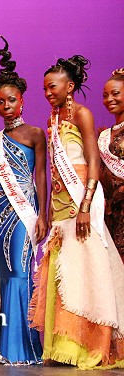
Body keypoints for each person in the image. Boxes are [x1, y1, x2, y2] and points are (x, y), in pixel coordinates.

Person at [29, 56, 124, 369]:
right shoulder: (53, 117)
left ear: (69, 87)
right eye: (44, 88)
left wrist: (85, 206)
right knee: (65, 272)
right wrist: (47, 213)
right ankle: (64, 345)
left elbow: (93, 161)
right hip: (60, 205)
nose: (48, 93)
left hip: (81, 197)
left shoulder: (82, 113)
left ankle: (89, 344)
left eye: (52, 87)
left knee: (86, 269)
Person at [0, 37, 47, 365]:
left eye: (11, 100)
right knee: (4, 274)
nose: (6, 106)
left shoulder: (36, 134)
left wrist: (43, 214)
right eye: (0, 101)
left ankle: (24, 346)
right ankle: (3, 345)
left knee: (20, 272)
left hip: (25, 211)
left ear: (22, 100)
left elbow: (41, 177)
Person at [99, 68, 124, 262]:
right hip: (110, 212)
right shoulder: (103, 135)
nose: (109, 99)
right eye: (105, 96)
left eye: (115, 94)